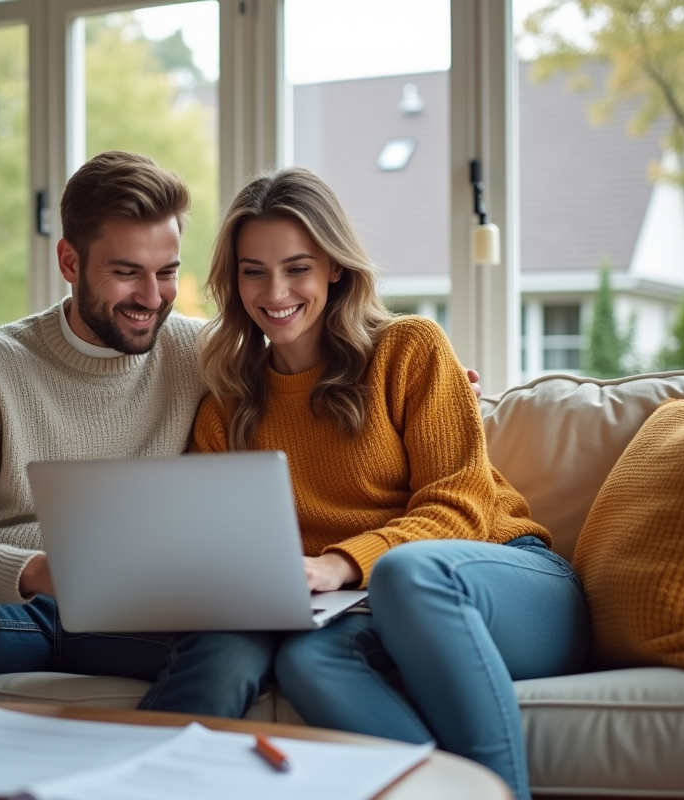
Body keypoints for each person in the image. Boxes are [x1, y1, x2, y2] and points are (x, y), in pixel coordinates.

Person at [191, 167, 589, 800]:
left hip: (504, 586)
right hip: (365, 610)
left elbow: (461, 509)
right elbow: (218, 540)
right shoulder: (228, 407)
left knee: (410, 573)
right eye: (253, 271)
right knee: (308, 661)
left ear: (335, 269)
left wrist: (338, 564)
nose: (275, 291)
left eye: (298, 267)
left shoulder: (409, 348)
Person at [0, 151, 277, 715]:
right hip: (5, 605)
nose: (152, 298)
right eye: (126, 273)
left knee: (242, 637)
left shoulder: (203, 355)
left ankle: (134, 782)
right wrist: (34, 571)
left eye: (166, 272)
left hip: (143, 609)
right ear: (70, 262)